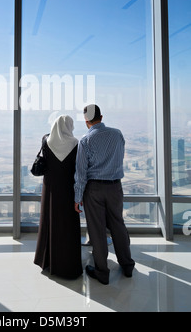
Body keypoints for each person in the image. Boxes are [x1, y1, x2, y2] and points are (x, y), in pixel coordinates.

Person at [74, 105, 135, 285]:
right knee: (118, 225)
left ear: (86, 122)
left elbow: (81, 173)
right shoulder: (117, 134)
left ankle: (102, 272)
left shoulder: (85, 140)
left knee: (97, 229)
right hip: (115, 186)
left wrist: (77, 198)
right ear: (101, 116)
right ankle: (127, 265)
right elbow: (120, 156)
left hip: (94, 190)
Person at [34, 115, 83, 279]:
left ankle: (47, 261)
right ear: (69, 126)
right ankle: (68, 264)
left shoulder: (46, 140)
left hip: (50, 189)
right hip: (68, 189)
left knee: (49, 222)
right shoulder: (76, 143)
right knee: (68, 225)